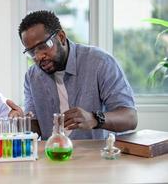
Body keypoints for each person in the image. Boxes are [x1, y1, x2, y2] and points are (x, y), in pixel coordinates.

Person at [13, 10, 137, 140]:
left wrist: (95, 119)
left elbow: (130, 118)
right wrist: (21, 122)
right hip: (53, 154)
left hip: (96, 155)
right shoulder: (32, 77)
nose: (38, 57)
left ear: (61, 37)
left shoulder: (99, 62)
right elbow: (36, 128)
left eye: (43, 46)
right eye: (31, 52)